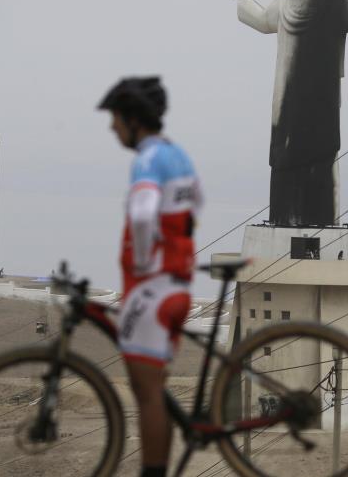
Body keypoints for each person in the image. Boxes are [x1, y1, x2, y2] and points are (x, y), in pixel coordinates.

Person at [98, 76, 202, 477]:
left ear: (133, 119)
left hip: (152, 288)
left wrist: (143, 263)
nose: (112, 127)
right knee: (154, 391)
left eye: (115, 118)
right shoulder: (178, 155)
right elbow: (196, 204)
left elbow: (143, 214)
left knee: (148, 394)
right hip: (177, 283)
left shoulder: (147, 159)